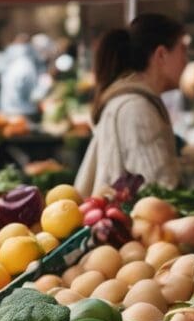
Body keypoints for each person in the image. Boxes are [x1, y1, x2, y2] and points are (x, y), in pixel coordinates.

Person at [74, 14, 187, 197]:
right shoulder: (137, 108)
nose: (186, 61)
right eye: (182, 51)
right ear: (161, 55)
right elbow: (158, 191)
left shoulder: (130, 101)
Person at [0, 35, 41, 117]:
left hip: (6, 109)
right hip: (22, 112)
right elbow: (33, 93)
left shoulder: (10, 61)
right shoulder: (26, 64)